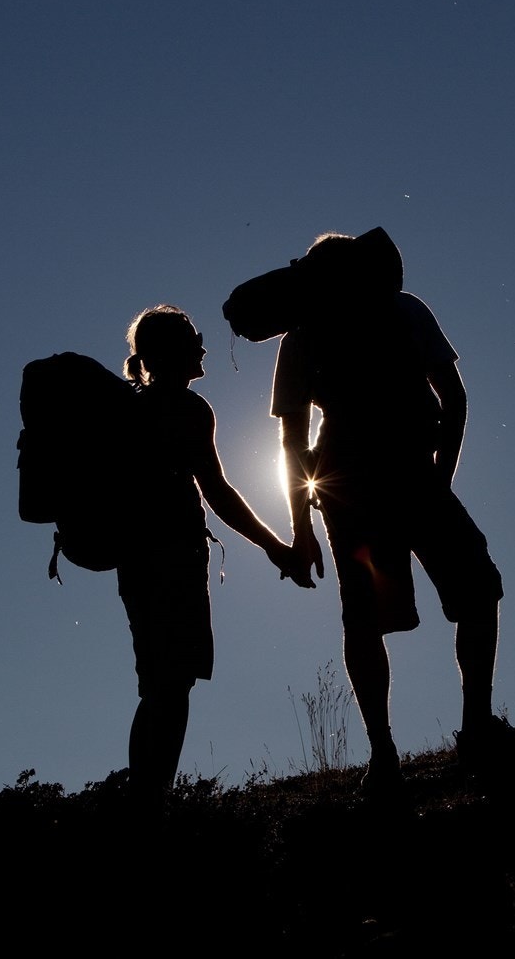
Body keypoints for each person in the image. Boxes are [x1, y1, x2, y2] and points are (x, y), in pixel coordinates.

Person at [272, 233, 512, 797]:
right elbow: (454, 400)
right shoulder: (403, 309)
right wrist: (440, 478)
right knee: (477, 591)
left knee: (362, 616)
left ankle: (384, 758)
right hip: (409, 473)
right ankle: (475, 729)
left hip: (344, 485)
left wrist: (300, 528)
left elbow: (291, 441)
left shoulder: (300, 337)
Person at [116, 305, 311, 816]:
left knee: (156, 682)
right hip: (174, 558)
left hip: (133, 560)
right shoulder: (187, 409)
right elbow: (219, 494)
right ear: (172, 352)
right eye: (194, 338)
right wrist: (277, 548)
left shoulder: (129, 409)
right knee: (173, 684)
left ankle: (144, 800)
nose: (204, 347)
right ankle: (152, 803)